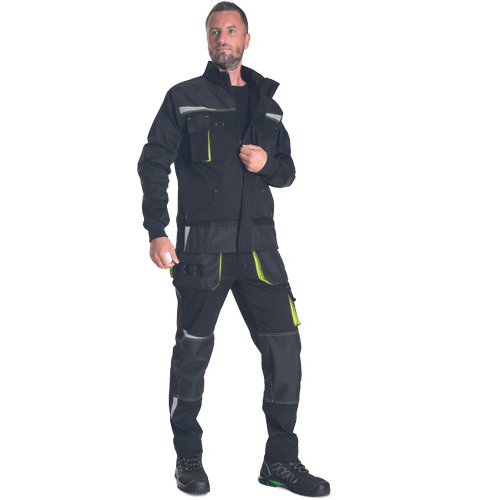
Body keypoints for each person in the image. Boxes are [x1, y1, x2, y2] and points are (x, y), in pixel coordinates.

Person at [137, 2, 330, 496]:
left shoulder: (268, 104)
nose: (222, 37)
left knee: (285, 348)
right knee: (192, 353)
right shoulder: (183, 97)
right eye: (214, 31)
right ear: (207, 40)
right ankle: (188, 458)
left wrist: (267, 163)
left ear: (247, 39)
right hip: (203, 250)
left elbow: (287, 172)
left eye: (231, 30)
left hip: (261, 250)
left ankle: (280, 462)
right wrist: (156, 229)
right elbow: (153, 161)